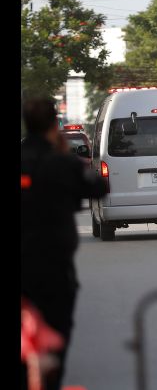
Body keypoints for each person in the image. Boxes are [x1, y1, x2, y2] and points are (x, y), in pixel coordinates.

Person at [21, 98, 109, 390]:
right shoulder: (62, 160)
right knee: (57, 330)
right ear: (53, 124)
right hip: (54, 266)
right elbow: (98, 186)